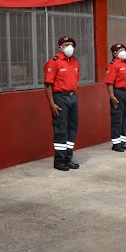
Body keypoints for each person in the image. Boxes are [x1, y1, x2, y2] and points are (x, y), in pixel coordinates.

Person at [44, 36, 80, 171]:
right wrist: (51, 103)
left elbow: (75, 80)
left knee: (72, 128)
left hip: (73, 97)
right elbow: (48, 85)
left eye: (71, 44)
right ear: (60, 47)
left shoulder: (75, 62)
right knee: (60, 129)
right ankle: (59, 161)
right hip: (60, 98)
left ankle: (68, 158)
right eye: (66, 44)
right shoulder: (54, 62)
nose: (69, 46)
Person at [105, 43, 126, 152]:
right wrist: (112, 96)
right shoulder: (113, 65)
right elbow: (109, 82)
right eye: (119, 50)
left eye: (123, 49)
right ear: (114, 53)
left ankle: (122, 141)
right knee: (117, 118)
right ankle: (116, 143)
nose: (123, 52)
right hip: (119, 93)